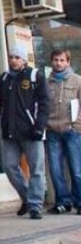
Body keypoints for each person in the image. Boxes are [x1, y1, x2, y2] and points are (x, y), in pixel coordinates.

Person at [0, 44, 49, 219]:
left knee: (36, 169)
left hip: (31, 130)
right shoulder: (4, 79)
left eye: (17, 57)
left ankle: (35, 205)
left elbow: (44, 103)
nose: (13, 60)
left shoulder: (35, 76)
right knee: (9, 166)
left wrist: (39, 126)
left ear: (24, 60)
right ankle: (27, 197)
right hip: (9, 131)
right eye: (11, 57)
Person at [45, 49, 81, 214]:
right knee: (55, 169)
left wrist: (76, 125)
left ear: (67, 62)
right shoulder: (47, 82)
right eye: (55, 60)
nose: (58, 63)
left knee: (76, 169)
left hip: (71, 130)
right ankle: (63, 201)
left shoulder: (77, 80)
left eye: (61, 60)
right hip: (52, 131)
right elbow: (43, 105)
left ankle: (79, 201)